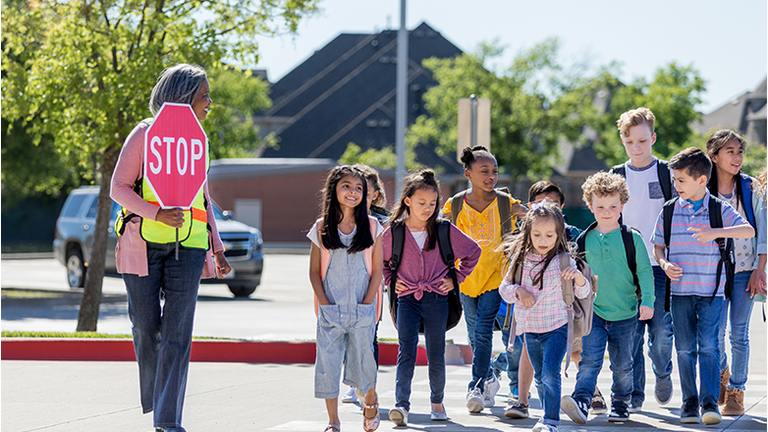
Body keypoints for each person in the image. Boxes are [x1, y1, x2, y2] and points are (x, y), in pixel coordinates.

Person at [111, 63, 231, 432]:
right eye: (204, 95)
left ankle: (168, 420)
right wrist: (157, 214)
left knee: (177, 335)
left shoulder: (198, 139)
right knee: (148, 330)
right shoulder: (145, 134)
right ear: (181, 97)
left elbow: (204, 198)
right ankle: (157, 397)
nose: (210, 102)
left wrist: (218, 247)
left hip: (191, 248)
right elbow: (119, 188)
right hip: (143, 246)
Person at [652, 147, 754, 425]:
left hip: (713, 293)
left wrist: (715, 233)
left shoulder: (720, 208)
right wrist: (664, 265)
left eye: (681, 180)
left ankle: (710, 403)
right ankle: (689, 403)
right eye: (674, 180)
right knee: (685, 349)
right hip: (680, 294)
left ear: (701, 180)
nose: (676, 186)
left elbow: (748, 230)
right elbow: (658, 247)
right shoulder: (670, 209)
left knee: (709, 347)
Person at [383, 170, 481, 426]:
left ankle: (437, 402)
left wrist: (455, 279)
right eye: (421, 203)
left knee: (436, 352)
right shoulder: (395, 232)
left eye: (432, 203)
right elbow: (378, 262)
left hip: (437, 300)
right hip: (407, 299)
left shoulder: (443, 229)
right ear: (407, 201)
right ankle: (401, 405)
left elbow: (473, 251)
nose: (427, 208)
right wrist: (390, 282)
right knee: (406, 352)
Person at [560, 172, 655, 425]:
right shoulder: (584, 239)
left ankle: (621, 403)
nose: (607, 211)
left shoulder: (632, 238)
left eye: (613, 206)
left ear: (622, 206)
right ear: (590, 207)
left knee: (623, 365)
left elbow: (645, 272)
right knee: (589, 360)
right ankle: (581, 399)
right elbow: (577, 275)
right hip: (595, 314)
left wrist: (648, 301)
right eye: (600, 207)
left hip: (626, 314)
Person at [441, 145, 528, 412]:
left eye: (494, 171)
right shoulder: (455, 205)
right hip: (465, 280)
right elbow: (435, 229)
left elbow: (533, 216)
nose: (491, 176)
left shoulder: (505, 202)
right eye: (484, 171)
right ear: (468, 173)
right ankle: (489, 377)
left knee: (482, 330)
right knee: (473, 334)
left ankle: (476, 386)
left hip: (496, 278)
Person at [502, 180, 593, 419]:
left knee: (551, 372)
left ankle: (550, 420)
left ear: (559, 233)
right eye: (537, 234)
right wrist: (518, 292)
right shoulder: (521, 260)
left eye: (549, 235)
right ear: (528, 232)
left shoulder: (563, 260)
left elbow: (583, 295)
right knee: (542, 375)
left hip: (558, 327)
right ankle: (546, 415)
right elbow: (505, 288)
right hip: (530, 329)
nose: (543, 240)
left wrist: (580, 280)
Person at [307, 165, 384, 432]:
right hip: (331, 309)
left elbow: (377, 271)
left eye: (359, 188)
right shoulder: (321, 228)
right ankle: (333, 422)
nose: (353, 192)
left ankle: (370, 400)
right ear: (334, 190)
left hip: (363, 307)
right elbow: (314, 273)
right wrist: (325, 304)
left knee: (365, 362)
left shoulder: (373, 227)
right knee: (328, 365)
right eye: (346, 186)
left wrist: (367, 303)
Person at [609, 107, 676, 412]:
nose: (636, 148)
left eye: (642, 141)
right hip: (627, 269)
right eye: (630, 142)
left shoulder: (667, 173)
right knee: (631, 336)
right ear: (623, 141)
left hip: (660, 266)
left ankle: (663, 372)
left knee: (661, 334)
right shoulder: (615, 176)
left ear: (653, 138)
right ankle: (634, 394)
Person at [705, 130, 767, 415]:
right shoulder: (704, 189)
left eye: (740, 151)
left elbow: (764, 230)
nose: (737, 156)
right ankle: (722, 373)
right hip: (714, 272)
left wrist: (760, 268)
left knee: (739, 333)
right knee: (714, 333)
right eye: (730, 151)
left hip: (745, 270)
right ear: (714, 156)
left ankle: (736, 391)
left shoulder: (750, 187)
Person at [342, 164, 390, 404]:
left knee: (369, 336)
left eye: (366, 191)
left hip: (373, 288)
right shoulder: (340, 219)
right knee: (350, 336)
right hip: (345, 287)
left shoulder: (383, 222)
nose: (359, 195)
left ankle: (366, 384)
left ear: (375, 195)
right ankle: (353, 381)